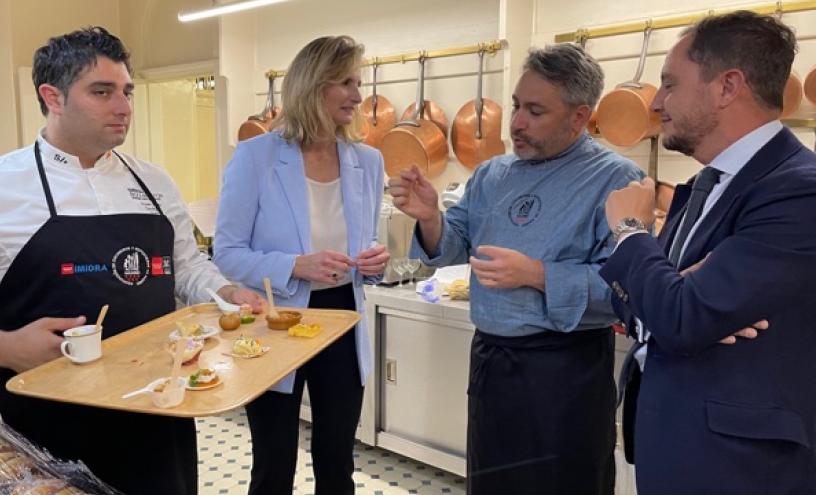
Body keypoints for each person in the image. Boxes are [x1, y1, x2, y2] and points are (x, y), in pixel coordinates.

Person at [0, 27, 265, 494]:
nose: (125, 107)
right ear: (52, 96)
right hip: (50, 431)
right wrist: (4, 347)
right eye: (102, 92)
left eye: (127, 91)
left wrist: (227, 292)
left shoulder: (153, 182)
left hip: (161, 415)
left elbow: (187, 266)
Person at [388, 43, 644, 494]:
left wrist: (537, 274)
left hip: (566, 373)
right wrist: (431, 217)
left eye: (535, 111)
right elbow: (452, 249)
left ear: (579, 116)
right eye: (516, 107)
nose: (517, 123)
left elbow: (626, 289)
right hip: (492, 364)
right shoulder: (493, 174)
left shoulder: (615, 179)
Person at [601, 11, 816, 494]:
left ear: (727, 86)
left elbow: (681, 317)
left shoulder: (799, 192)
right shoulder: (704, 183)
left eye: (670, 84)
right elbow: (645, 306)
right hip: (673, 443)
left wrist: (631, 232)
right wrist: (675, 297)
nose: (656, 102)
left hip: (741, 467)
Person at [212, 35, 389, 495]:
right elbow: (226, 252)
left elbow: (369, 244)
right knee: (273, 465)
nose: (357, 94)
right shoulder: (256, 157)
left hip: (341, 323)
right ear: (313, 86)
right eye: (345, 82)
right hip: (276, 322)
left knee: (337, 462)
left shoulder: (367, 161)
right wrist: (296, 265)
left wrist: (374, 262)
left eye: (358, 82)